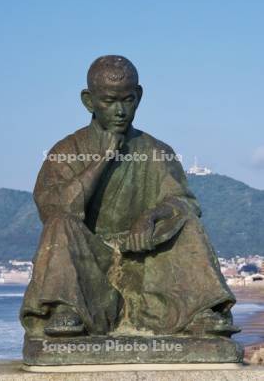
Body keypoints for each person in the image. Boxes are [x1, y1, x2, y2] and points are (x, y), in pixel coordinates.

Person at [20, 55, 239, 338]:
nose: (120, 111)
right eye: (109, 102)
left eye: (128, 100)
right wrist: (102, 160)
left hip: (142, 257)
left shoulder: (156, 150)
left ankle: (199, 312)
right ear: (89, 101)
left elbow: (184, 201)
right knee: (60, 223)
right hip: (88, 264)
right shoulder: (67, 150)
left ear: (139, 96)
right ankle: (68, 309)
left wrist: (151, 217)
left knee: (187, 222)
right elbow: (54, 210)